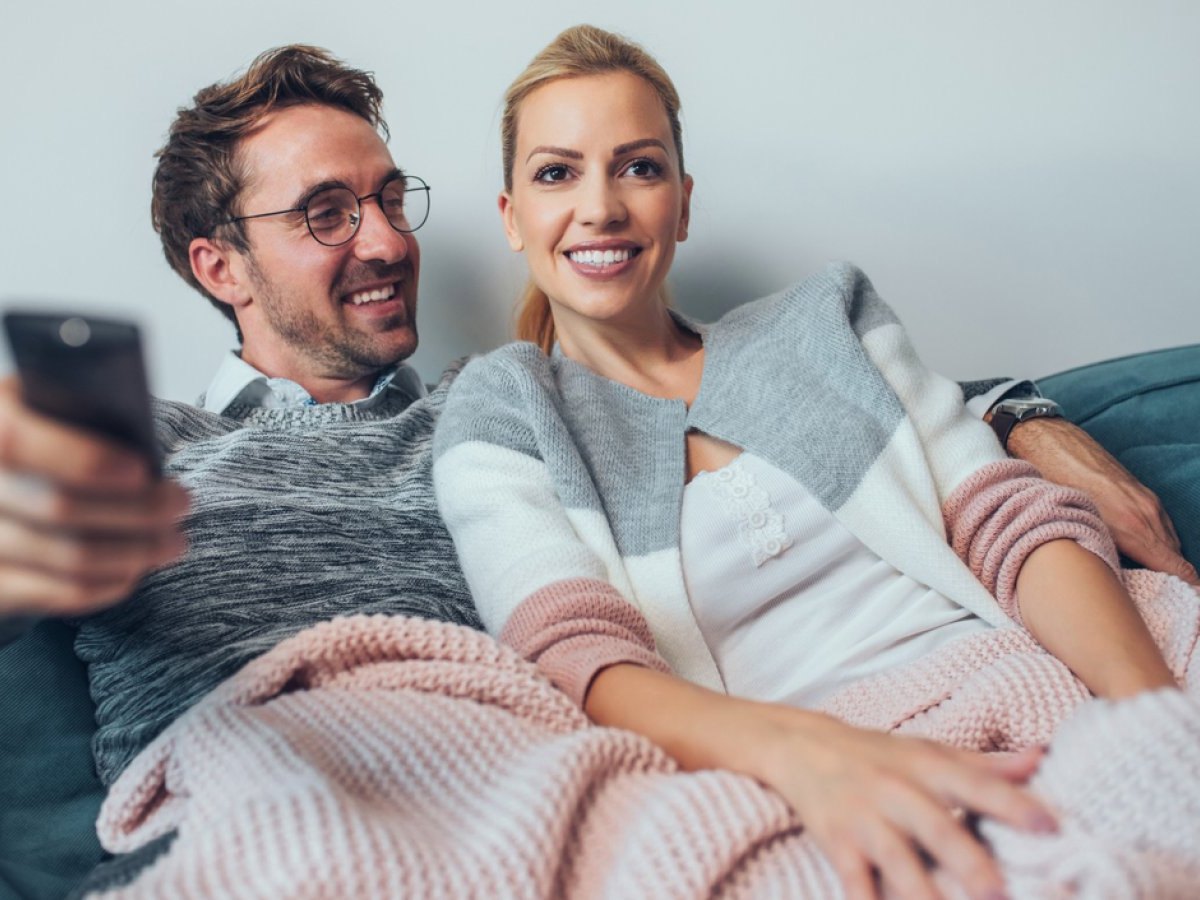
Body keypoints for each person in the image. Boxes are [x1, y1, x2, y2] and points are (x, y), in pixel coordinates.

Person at [0, 35, 1187, 812]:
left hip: (528, 785)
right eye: (323, 213)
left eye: (386, 196)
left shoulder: (496, 410)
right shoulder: (147, 447)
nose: (385, 239)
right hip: (264, 796)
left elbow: (833, 400)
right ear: (219, 264)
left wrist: (1029, 418)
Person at [431, 25, 1199, 900]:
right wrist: (829, 764)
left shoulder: (826, 321)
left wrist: (1148, 714)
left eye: (638, 167)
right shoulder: (505, 410)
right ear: (512, 218)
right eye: (556, 172)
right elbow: (579, 660)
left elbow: (1005, 517)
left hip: (1042, 656)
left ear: (683, 203)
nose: (601, 206)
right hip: (816, 774)